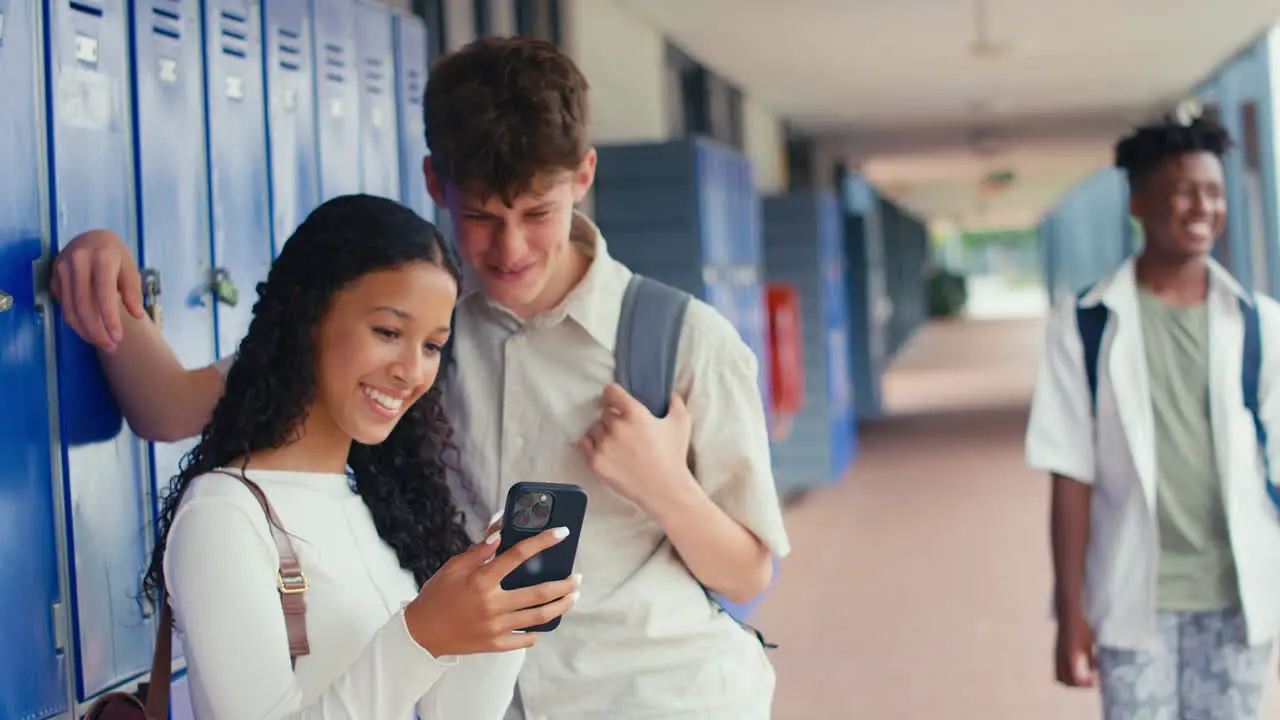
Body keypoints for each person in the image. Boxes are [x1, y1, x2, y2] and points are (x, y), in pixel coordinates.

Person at [50, 37, 789, 719]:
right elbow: (178, 405)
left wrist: (665, 484)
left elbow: (749, 572)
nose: (511, 249)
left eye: (539, 213)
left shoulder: (684, 341)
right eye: (481, 216)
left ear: (584, 177)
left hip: (660, 698)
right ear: (436, 181)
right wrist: (107, 268)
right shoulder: (410, 325)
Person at [144, 193, 579, 718]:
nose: (411, 370)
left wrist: (503, 622)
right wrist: (419, 635)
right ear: (309, 313)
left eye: (432, 346)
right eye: (389, 332)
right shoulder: (224, 513)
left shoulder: (377, 504)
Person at [1026, 114, 1280, 719]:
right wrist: (1071, 613)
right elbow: (1070, 475)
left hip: (1238, 598)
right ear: (1139, 201)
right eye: (1185, 190)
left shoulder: (1258, 324)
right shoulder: (1087, 323)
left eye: (1215, 192)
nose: (1204, 207)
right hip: (1134, 598)